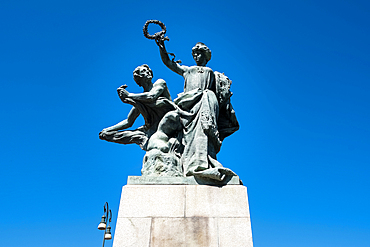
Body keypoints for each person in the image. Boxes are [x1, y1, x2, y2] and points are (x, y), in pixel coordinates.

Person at [156, 40, 236, 180]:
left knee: (204, 132)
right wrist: (162, 46)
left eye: (200, 53)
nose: (197, 56)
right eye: (195, 54)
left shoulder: (211, 72)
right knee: (188, 137)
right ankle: (189, 166)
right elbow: (168, 62)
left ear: (206, 56)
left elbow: (219, 94)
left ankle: (205, 164)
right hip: (189, 106)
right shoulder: (188, 70)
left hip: (206, 102)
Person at [99, 64, 175, 150]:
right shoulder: (139, 100)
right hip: (154, 129)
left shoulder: (160, 83)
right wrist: (108, 130)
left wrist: (128, 96)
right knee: (135, 135)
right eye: (144, 71)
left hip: (171, 122)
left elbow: (151, 96)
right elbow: (128, 121)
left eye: (148, 71)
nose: (148, 72)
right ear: (139, 78)